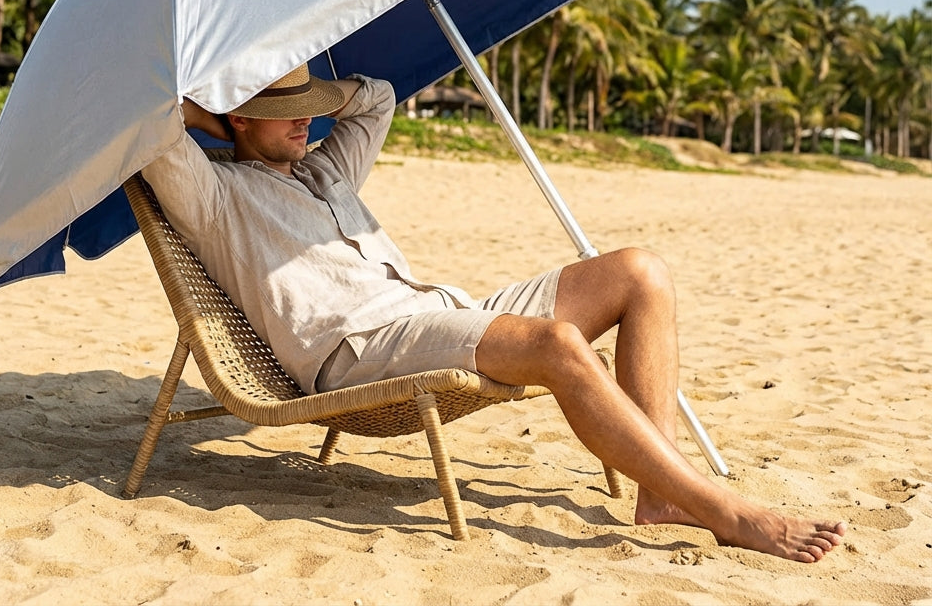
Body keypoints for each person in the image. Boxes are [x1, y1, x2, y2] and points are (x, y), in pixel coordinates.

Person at [142, 65, 847, 564]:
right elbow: (145, 124)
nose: (305, 118)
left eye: (306, 103)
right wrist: (214, 111)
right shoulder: (215, 198)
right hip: (357, 347)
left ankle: (659, 497)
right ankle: (722, 511)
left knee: (642, 273)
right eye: (280, 110)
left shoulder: (325, 169)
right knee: (559, 347)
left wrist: (282, 101)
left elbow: (378, 100)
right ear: (240, 118)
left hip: (435, 312)